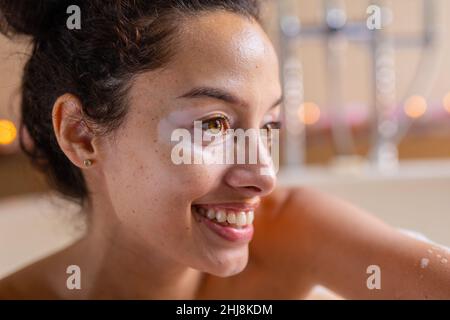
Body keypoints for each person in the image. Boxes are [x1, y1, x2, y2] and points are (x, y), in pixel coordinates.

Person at [0, 0, 448, 299]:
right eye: (213, 124)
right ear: (81, 134)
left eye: (269, 124)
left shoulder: (290, 236)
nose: (264, 175)